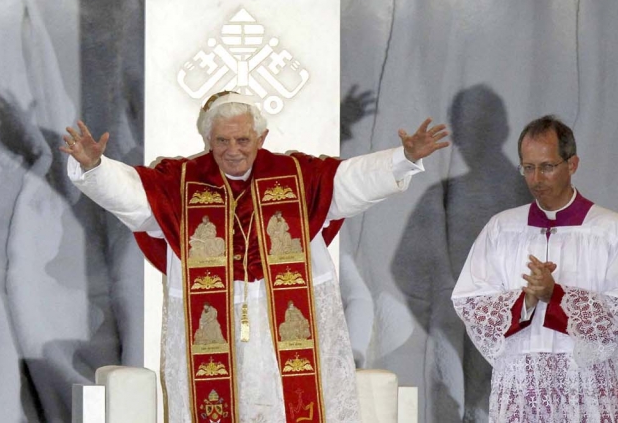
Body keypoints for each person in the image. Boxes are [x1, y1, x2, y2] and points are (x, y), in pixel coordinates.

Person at [62, 91, 448, 422]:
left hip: (291, 321)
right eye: (222, 141)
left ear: (261, 137)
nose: (233, 151)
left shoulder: (298, 174)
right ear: (208, 139)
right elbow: (132, 195)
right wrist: (95, 167)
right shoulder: (179, 181)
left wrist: (402, 158)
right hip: (215, 319)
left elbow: (353, 180)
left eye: (243, 140)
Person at [451, 116, 618, 421]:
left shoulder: (612, 230)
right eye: (528, 167)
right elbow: (470, 301)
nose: (536, 179)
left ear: (572, 164)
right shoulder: (502, 229)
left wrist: (556, 295)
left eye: (547, 166)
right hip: (523, 384)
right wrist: (526, 301)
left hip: (589, 384)